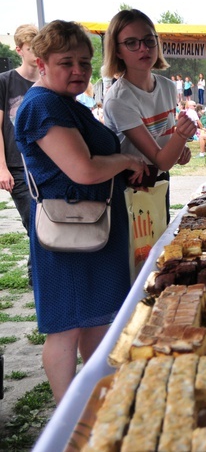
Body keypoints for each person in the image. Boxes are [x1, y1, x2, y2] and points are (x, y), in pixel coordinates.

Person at [14, 20, 148, 404]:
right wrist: (125, 160)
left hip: (94, 229)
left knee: (96, 319)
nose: (78, 71)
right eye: (66, 62)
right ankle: (68, 413)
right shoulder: (42, 106)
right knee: (66, 329)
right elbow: (84, 169)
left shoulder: (65, 103)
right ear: (41, 63)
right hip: (69, 235)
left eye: (85, 63)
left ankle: (94, 400)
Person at [102, 9, 196, 225]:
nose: (143, 48)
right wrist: (181, 136)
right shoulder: (119, 99)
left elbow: (165, 146)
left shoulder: (167, 86)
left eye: (148, 40)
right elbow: (161, 158)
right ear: (117, 51)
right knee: (139, 254)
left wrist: (180, 149)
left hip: (160, 180)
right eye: (132, 43)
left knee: (158, 245)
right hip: (131, 187)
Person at [0, 24, 39, 286]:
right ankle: (36, 277)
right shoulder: (5, 81)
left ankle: (38, 274)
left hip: (45, 163)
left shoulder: (47, 79)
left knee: (46, 222)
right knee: (34, 224)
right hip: (16, 165)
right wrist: (1, 168)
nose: (36, 53)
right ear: (19, 50)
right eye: (30, 48)